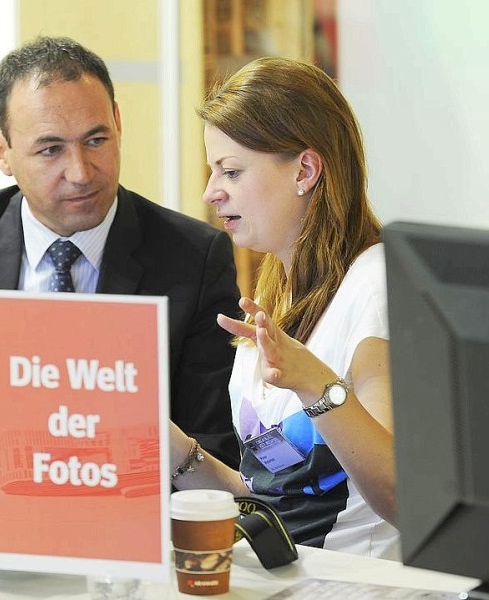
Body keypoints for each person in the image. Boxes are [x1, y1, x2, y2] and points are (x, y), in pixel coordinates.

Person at [0, 36, 241, 477]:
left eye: (95, 140)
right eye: (51, 150)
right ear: (1, 152)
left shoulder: (193, 260)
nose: (80, 172)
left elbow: (215, 452)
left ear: (118, 124)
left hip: (121, 502)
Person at [169, 56, 399, 559]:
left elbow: (399, 495)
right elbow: (271, 499)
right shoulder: (276, 292)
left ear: (306, 170)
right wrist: (168, 444)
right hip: (282, 573)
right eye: (213, 171)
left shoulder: (375, 285)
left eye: (231, 170)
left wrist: (315, 383)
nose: (211, 192)